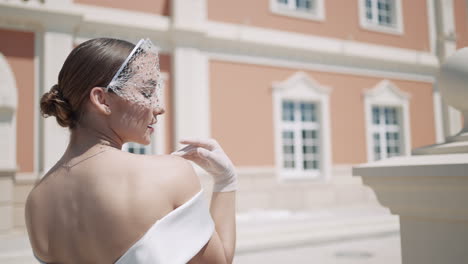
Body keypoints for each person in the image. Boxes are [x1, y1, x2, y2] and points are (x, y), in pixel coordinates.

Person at [25, 38, 237, 264]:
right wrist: (226, 181)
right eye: (146, 93)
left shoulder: (36, 201)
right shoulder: (169, 174)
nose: (159, 107)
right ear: (102, 99)